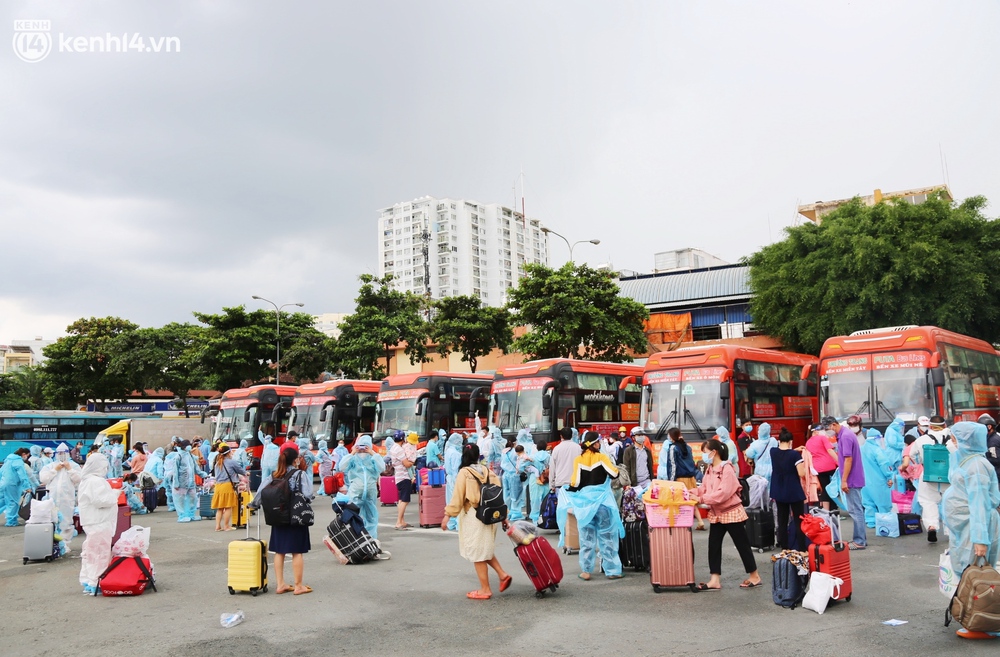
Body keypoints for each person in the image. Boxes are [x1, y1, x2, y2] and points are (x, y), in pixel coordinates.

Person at [941, 421, 1000, 640]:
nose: (952, 442)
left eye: (955, 438)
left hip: (974, 529)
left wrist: (980, 540)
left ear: (965, 441)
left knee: (979, 577)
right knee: (971, 575)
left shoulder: (976, 467)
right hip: (966, 528)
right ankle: (979, 620)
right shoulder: (969, 461)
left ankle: (985, 623)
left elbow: (979, 505)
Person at [441, 443, 513, 600]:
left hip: (474, 517)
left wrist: (447, 516)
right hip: (490, 516)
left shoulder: (464, 473)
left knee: (477, 553)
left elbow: (458, 497)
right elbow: (498, 498)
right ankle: (502, 575)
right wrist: (504, 517)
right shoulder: (488, 471)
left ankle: (485, 589)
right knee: (483, 548)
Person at [693, 438, 762, 590]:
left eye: (705, 452)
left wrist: (702, 498)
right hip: (717, 513)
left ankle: (755, 576)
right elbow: (703, 488)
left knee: (742, 544)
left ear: (714, 452)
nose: (703, 456)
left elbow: (723, 493)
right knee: (714, 546)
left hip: (731, 512)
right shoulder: (710, 469)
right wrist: (687, 493)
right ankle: (714, 579)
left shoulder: (727, 468)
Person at [565, 431, 625, 580]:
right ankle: (612, 570)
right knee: (607, 537)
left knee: (586, 539)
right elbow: (614, 474)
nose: (600, 444)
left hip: (585, 505)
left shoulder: (578, 460)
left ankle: (586, 571)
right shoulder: (602, 457)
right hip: (603, 503)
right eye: (598, 442)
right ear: (595, 444)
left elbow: (575, 483)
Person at [266, 445, 313, 595]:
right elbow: (308, 493)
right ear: (295, 460)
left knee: (279, 551)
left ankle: (280, 584)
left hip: (278, 516)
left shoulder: (274, 475)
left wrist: (252, 505)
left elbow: (261, 492)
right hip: (295, 516)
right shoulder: (299, 474)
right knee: (297, 551)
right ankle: (298, 586)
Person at [77, 454, 120, 595]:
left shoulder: (86, 480)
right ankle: (97, 582)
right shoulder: (96, 481)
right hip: (100, 521)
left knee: (90, 552)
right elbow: (101, 501)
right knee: (100, 553)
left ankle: (88, 580)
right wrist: (115, 494)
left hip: (91, 521)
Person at [910, 414, 955, 543]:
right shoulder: (953, 440)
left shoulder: (921, 440)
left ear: (930, 426)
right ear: (945, 425)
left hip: (929, 476)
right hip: (949, 477)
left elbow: (912, 456)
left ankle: (931, 526)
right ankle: (950, 531)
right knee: (950, 503)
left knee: (928, 502)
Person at [825, 415, 867, 550]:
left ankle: (859, 541)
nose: (827, 432)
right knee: (856, 509)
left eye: (827, 428)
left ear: (832, 425)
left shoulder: (845, 436)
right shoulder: (844, 435)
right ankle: (859, 539)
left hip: (851, 479)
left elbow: (848, 460)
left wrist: (844, 481)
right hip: (852, 477)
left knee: (856, 510)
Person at [658, 427, 705, 530]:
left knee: (679, 502)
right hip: (690, 477)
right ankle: (700, 521)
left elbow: (673, 465)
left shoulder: (672, 448)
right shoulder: (687, 447)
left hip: (680, 479)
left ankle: (682, 523)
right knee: (691, 500)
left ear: (671, 436)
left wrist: (671, 481)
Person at [339, 435, 384, 540]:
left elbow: (382, 468)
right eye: (361, 446)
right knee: (353, 515)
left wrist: (373, 453)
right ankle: (355, 539)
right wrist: (352, 453)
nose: (363, 449)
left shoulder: (373, 458)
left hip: (370, 491)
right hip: (356, 492)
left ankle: (371, 540)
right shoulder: (353, 458)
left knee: (371, 517)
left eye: (366, 446)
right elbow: (342, 467)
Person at [39, 443, 82, 550]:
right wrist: (55, 470)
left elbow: (79, 480)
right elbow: (44, 479)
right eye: (60, 453)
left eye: (64, 453)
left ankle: (64, 545)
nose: (62, 455)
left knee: (66, 522)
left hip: (67, 499)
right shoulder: (49, 466)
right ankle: (54, 544)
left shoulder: (74, 466)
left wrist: (70, 469)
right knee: (52, 522)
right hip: (52, 499)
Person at [769, 428, 806, 551]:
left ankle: (784, 547)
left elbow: (783, 453)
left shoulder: (773, 452)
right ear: (791, 441)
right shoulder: (795, 455)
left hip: (779, 490)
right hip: (794, 491)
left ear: (779, 440)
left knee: (782, 520)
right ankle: (801, 548)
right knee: (799, 520)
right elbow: (801, 473)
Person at [549, 427, 583, 549]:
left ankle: (566, 538)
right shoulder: (578, 448)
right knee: (576, 511)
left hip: (561, 484)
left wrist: (551, 485)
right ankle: (577, 537)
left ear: (561, 436)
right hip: (576, 484)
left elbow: (552, 468)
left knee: (563, 512)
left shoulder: (557, 449)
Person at [861, 426, 895, 528]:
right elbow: (884, 464)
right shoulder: (877, 450)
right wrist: (889, 477)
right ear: (877, 438)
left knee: (868, 503)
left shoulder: (861, 449)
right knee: (883, 502)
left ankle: (871, 522)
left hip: (864, 482)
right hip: (878, 481)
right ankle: (885, 522)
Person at [211, 445, 246, 531]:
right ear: (229, 453)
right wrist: (246, 473)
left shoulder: (217, 463)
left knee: (220, 508)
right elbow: (240, 470)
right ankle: (226, 526)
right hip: (227, 486)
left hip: (218, 486)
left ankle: (217, 526)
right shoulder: (231, 462)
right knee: (228, 507)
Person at [170, 440, 206, 523]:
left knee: (193, 498)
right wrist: (176, 483)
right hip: (182, 482)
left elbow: (195, 467)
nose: (190, 447)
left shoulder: (189, 455)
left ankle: (191, 514)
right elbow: (175, 471)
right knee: (180, 500)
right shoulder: (178, 456)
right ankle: (182, 516)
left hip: (191, 482)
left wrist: (202, 474)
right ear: (184, 446)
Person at [806, 423, 839, 511]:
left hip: (818, 468)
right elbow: (830, 451)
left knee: (825, 488)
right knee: (835, 486)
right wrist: (840, 462)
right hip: (830, 466)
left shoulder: (808, 442)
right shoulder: (822, 438)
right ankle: (833, 508)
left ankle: (826, 510)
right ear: (817, 431)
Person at [389, 431, 417, 530]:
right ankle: (398, 522)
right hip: (404, 477)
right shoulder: (399, 450)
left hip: (399, 476)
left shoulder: (393, 448)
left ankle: (402, 521)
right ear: (402, 439)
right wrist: (412, 461)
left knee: (401, 500)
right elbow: (407, 464)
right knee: (405, 500)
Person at [0, 448, 34, 526]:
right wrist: (27, 486)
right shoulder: (18, 462)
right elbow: (22, 475)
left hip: (3, 483)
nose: (27, 458)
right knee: (13, 502)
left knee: (3, 500)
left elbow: (1, 472)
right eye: (27, 456)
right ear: (23, 454)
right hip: (12, 484)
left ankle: (11, 519)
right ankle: (11, 521)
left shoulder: (8, 460)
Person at [744, 422, 778, 495]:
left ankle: (762, 504)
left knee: (760, 489)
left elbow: (749, 454)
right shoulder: (773, 441)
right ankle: (770, 503)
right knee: (771, 487)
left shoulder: (755, 444)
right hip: (772, 468)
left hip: (760, 470)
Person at [501, 438, 526, 522]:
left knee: (506, 494)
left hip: (505, 475)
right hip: (514, 475)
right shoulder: (515, 452)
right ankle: (515, 513)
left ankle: (508, 511)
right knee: (516, 495)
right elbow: (521, 463)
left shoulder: (504, 452)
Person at [443, 432, 464, 531]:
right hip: (454, 479)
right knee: (457, 501)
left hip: (449, 478)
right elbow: (456, 469)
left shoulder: (448, 451)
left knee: (450, 501)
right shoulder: (456, 454)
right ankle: (459, 524)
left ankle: (451, 522)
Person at [528, 442, 551, 524]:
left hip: (535, 479)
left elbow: (523, 467)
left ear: (537, 448)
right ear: (546, 447)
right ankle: (545, 518)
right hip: (546, 479)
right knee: (546, 500)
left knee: (534, 500)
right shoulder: (549, 457)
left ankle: (535, 519)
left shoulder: (532, 457)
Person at [980, 414, 1000, 482]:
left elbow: (997, 459)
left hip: (997, 474)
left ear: (989, 427)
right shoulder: (995, 436)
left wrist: (984, 458)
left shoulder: (993, 441)